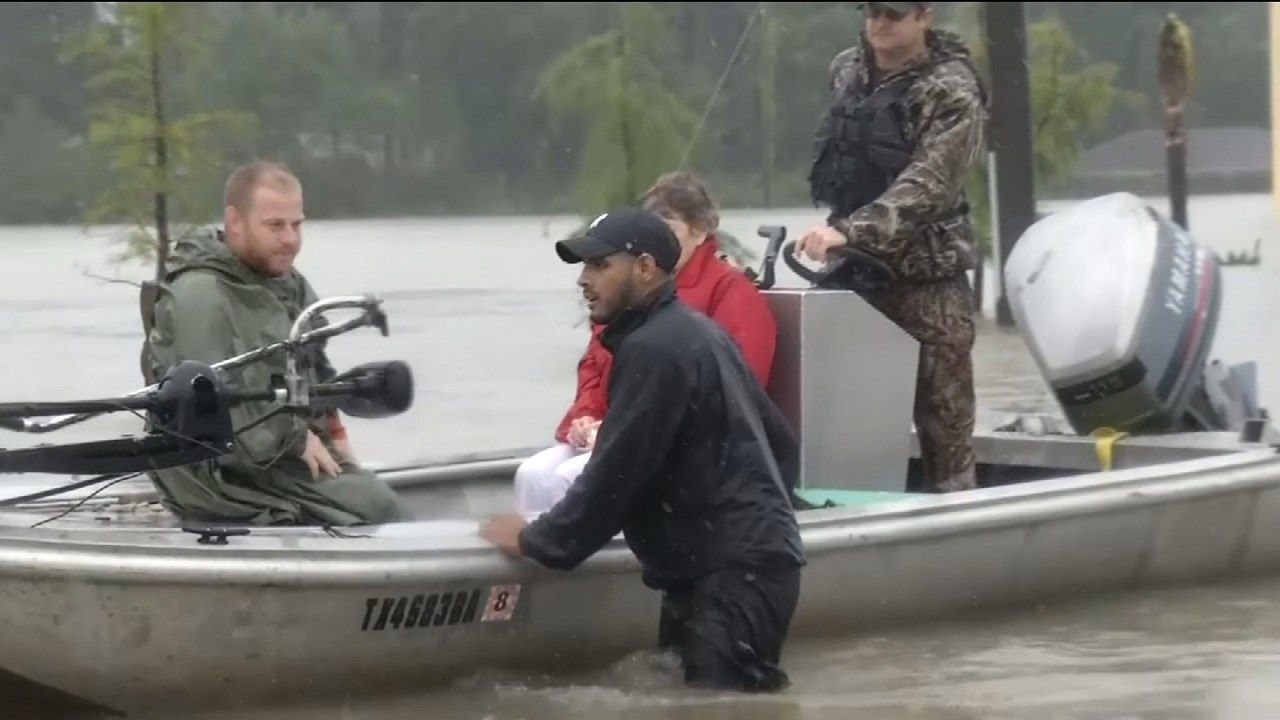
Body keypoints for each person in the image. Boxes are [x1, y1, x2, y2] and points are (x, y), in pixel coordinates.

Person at [481, 208, 805, 691]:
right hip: (723, 567)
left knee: (719, 706)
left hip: (734, 573)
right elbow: (780, 441)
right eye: (583, 268)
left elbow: (617, 475)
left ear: (646, 267)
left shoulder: (656, 347)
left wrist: (537, 540)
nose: (584, 281)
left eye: (599, 266)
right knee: (695, 701)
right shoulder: (693, 332)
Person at [142, 160, 412, 526]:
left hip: (277, 455)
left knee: (371, 490)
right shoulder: (200, 295)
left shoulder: (286, 282)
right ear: (235, 223)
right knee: (379, 508)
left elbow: (315, 371)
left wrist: (336, 438)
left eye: (297, 225)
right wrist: (297, 442)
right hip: (220, 475)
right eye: (275, 226)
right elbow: (214, 409)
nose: (290, 239)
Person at [796, 1, 987, 493]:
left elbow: (929, 185)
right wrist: (841, 235)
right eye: (871, 10)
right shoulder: (846, 70)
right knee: (839, 423)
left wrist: (854, 232)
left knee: (946, 433)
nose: (879, 22)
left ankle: (959, 526)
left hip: (928, 284)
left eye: (893, 13)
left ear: (924, 16)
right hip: (853, 280)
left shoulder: (952, 90)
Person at [514, 171, 778, 514]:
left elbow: (738, 389)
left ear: (701, 230)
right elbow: (596, 366)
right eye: (653, 222)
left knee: (571, 479)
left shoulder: (732, 292)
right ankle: (541, 561)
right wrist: (586, 418)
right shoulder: (631, 296)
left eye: (669, 221)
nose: (658, 233)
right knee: (532, 475)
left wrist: (620, 431)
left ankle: (579, 556)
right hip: (615, 431)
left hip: (689, 449)